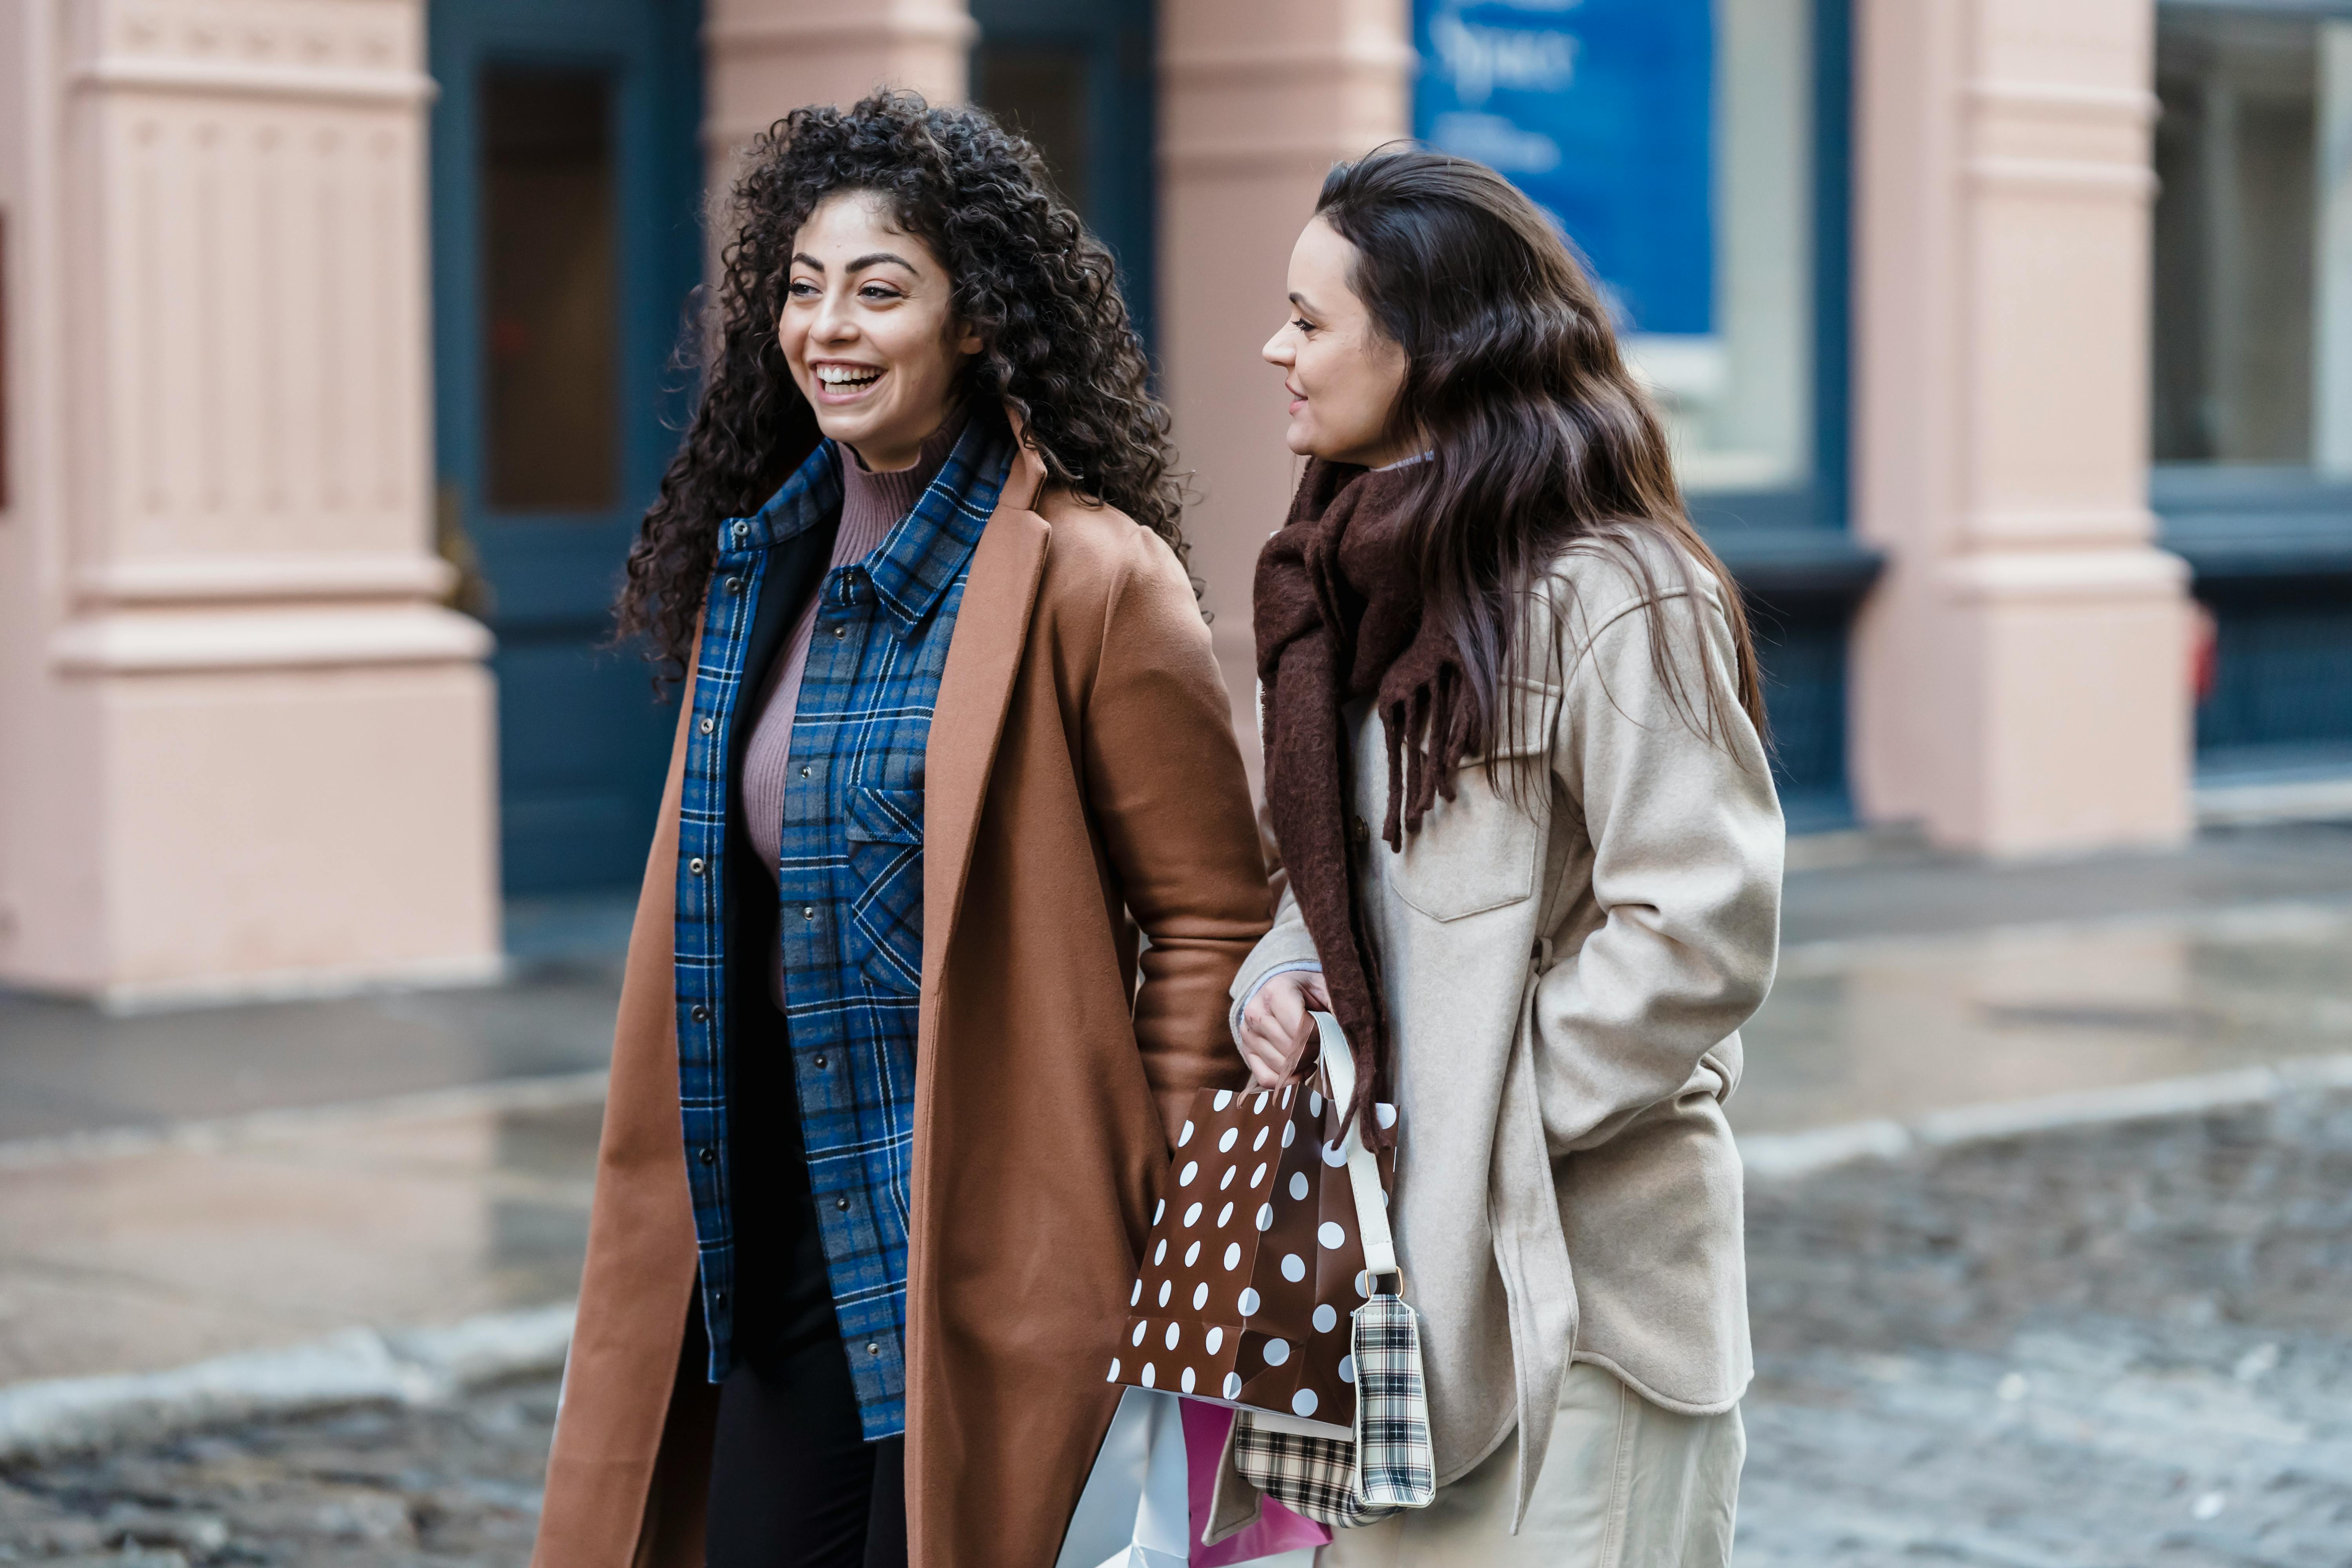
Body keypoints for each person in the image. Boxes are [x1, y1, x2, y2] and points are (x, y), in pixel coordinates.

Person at [530, 93, 1270, 1568]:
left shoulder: (1092, 581)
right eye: (803, 288)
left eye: (880, 289)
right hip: (785, 1252)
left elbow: (1207, 915)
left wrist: (1170, 1192)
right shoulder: (761, 565)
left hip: (997, 1255)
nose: (830, 327)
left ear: (977, 322)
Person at [1232, 147, 1784, 1566]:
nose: (1275, 349)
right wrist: (1284, 976)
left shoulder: (1615, 589)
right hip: (1403, 1314)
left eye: (1311, 319)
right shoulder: (1347, 580)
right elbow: (1337, 874)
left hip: (1588, 1316)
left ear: (1427, 350)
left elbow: (1701, 929)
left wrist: (1504, 1115)